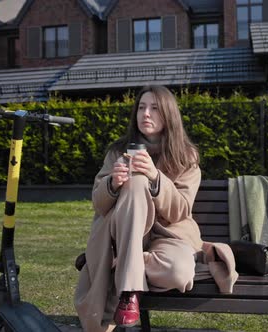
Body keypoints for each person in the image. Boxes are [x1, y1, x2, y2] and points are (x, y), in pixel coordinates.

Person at [75, 85, 237, 332]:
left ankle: (122, 264)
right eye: (141, 107)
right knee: (135, 181)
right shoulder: (118, 151)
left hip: (168, 235)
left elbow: (180, 210)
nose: (146, 114)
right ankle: (129, 291)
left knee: (179, 274)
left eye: (154, 108)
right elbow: (98, 203)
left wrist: (155, 176)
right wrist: (113, 184)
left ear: (169, 114)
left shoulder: (185, 157)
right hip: (124, 234)